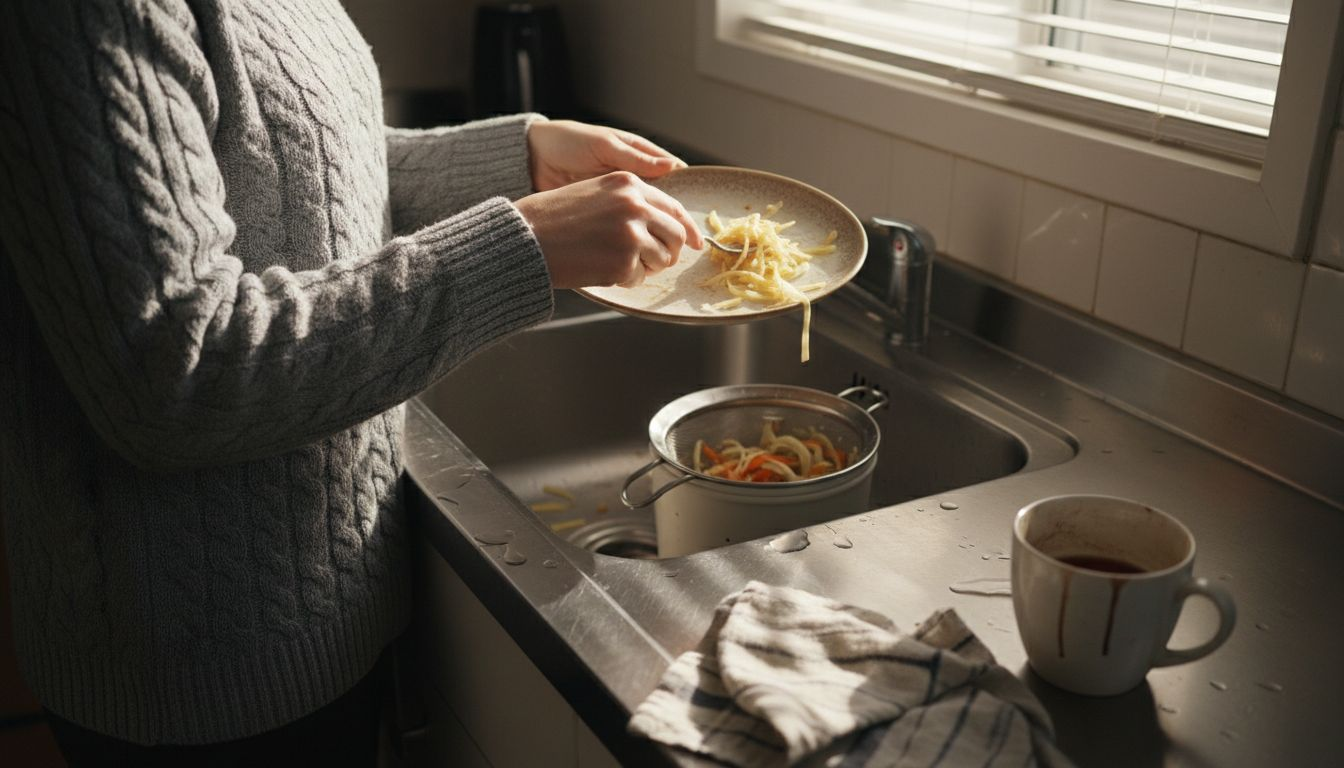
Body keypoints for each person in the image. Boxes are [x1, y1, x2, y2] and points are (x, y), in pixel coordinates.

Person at [0, 0, 704, 764]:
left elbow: (287, 153)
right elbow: (177, 375)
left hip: (335, 599)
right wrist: (524, 243)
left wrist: (517, 158)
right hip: (200, 678)